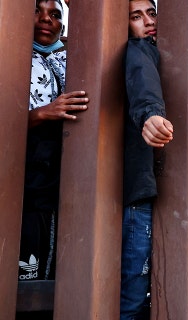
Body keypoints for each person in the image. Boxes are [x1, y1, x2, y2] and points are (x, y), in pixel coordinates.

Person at [19, 0, 89, 283]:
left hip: (64, 181)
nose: (46, 19)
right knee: (27, 271)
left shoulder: (72, 56)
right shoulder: (11, 56)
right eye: (37, 10)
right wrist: (43, 113)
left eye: (55, 14)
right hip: (24, 181)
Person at [121, 1, 170, 318]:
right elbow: (143, 84)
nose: (148, 22)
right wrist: (151, 116)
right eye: (136, 17)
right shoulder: (138, 50)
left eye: (152, 13)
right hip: (135, 193)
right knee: (133, 296)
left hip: (134, 190)